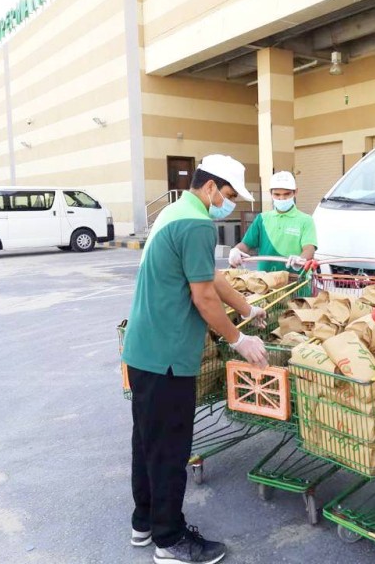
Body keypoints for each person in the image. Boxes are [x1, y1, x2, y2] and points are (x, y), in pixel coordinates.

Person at [121, 154, 268, 564]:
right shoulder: (198, 223)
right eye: (228, 194)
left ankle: (145, 522)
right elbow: (202, 295)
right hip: (167, 355)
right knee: (169, 448)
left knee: (147, 442)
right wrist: (240, 340)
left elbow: (210, 277)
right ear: (209, 187)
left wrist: (245, 307)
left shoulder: (175, 211)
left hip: (143, 350)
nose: (231, 204)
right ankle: (170, 540)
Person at [228, 171, 317, 272]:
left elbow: (309, 248)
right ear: (271, 193)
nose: (282, 198)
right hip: (265, 282)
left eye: (287, 194)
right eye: (277, 194)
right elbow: (246, 244)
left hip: (296, 282)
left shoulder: (305, 220)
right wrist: (236, 250)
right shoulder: (262, 219)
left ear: (295, 192)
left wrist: (301, 259)